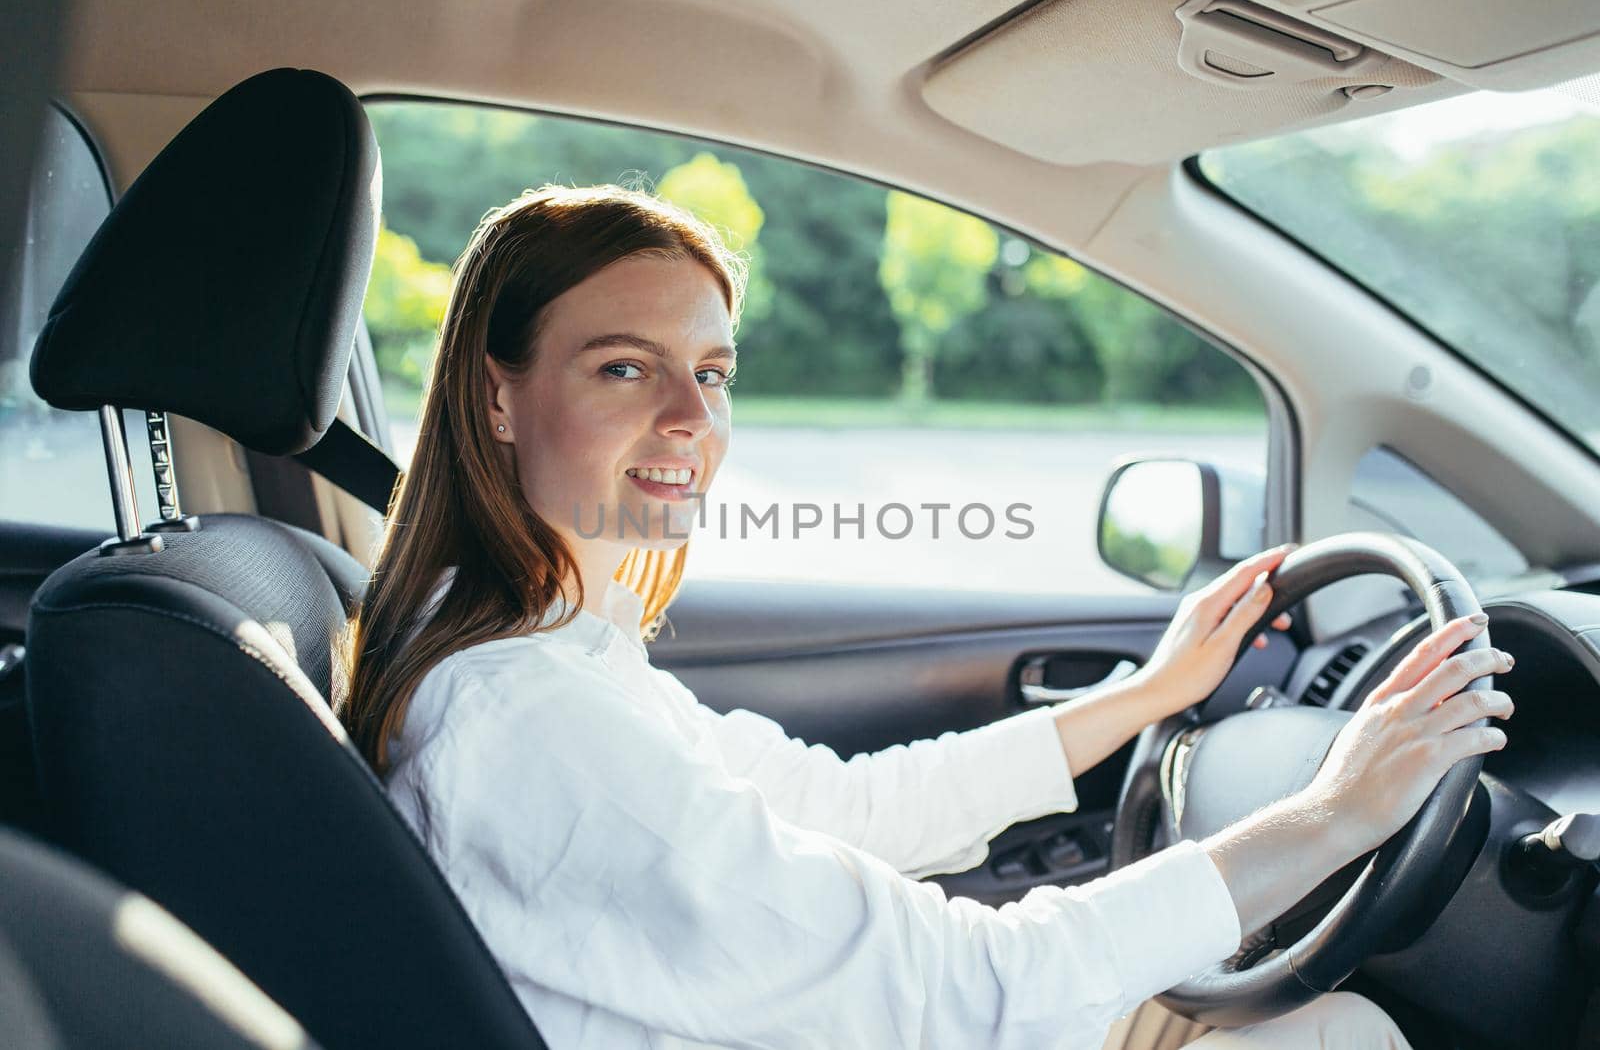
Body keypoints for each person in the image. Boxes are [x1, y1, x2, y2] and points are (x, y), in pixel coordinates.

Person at [336, 184, 1514, 1049]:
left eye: (714, 368)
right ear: (498, 393)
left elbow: (848, 807)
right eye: (624, 368)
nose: (694, 416)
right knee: (1338, 1031)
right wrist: (1332, 810)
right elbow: (967, 981)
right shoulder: (532, 719)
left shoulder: (559, 656)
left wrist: (1143, 697)